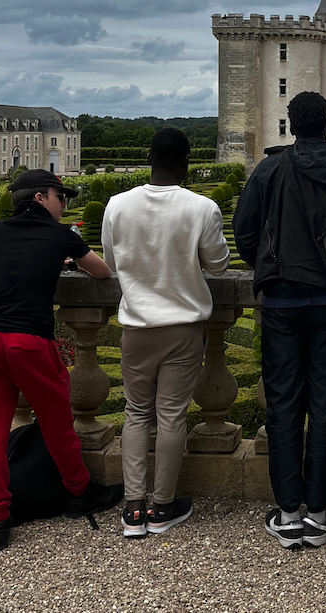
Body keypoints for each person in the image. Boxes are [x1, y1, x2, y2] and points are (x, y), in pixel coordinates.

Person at [232, 91, 326, 550]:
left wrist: (269, 266)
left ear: (291, 123)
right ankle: (318, 512)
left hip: (281, 299)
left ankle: (288, 512)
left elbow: (244, 231)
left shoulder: (269, 168)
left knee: (283, 402)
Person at [0, 169, 121, 552]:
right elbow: (103, 272)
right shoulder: (61, 235)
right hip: (28, 342)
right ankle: (80, 491)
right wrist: (68, 258)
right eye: (60, 196)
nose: (64, 203)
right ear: (40, 198)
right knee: (57, 423)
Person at [102, 128, 231, 539]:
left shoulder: (117, 205)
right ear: (185, 163)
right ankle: (162, 507)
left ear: (149, 158)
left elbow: (111, 262)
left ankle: (134, 509)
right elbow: (219, 266)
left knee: (136, 414)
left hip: (137, 327)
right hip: (182, 328)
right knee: (171, 416)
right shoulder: (202, 207)